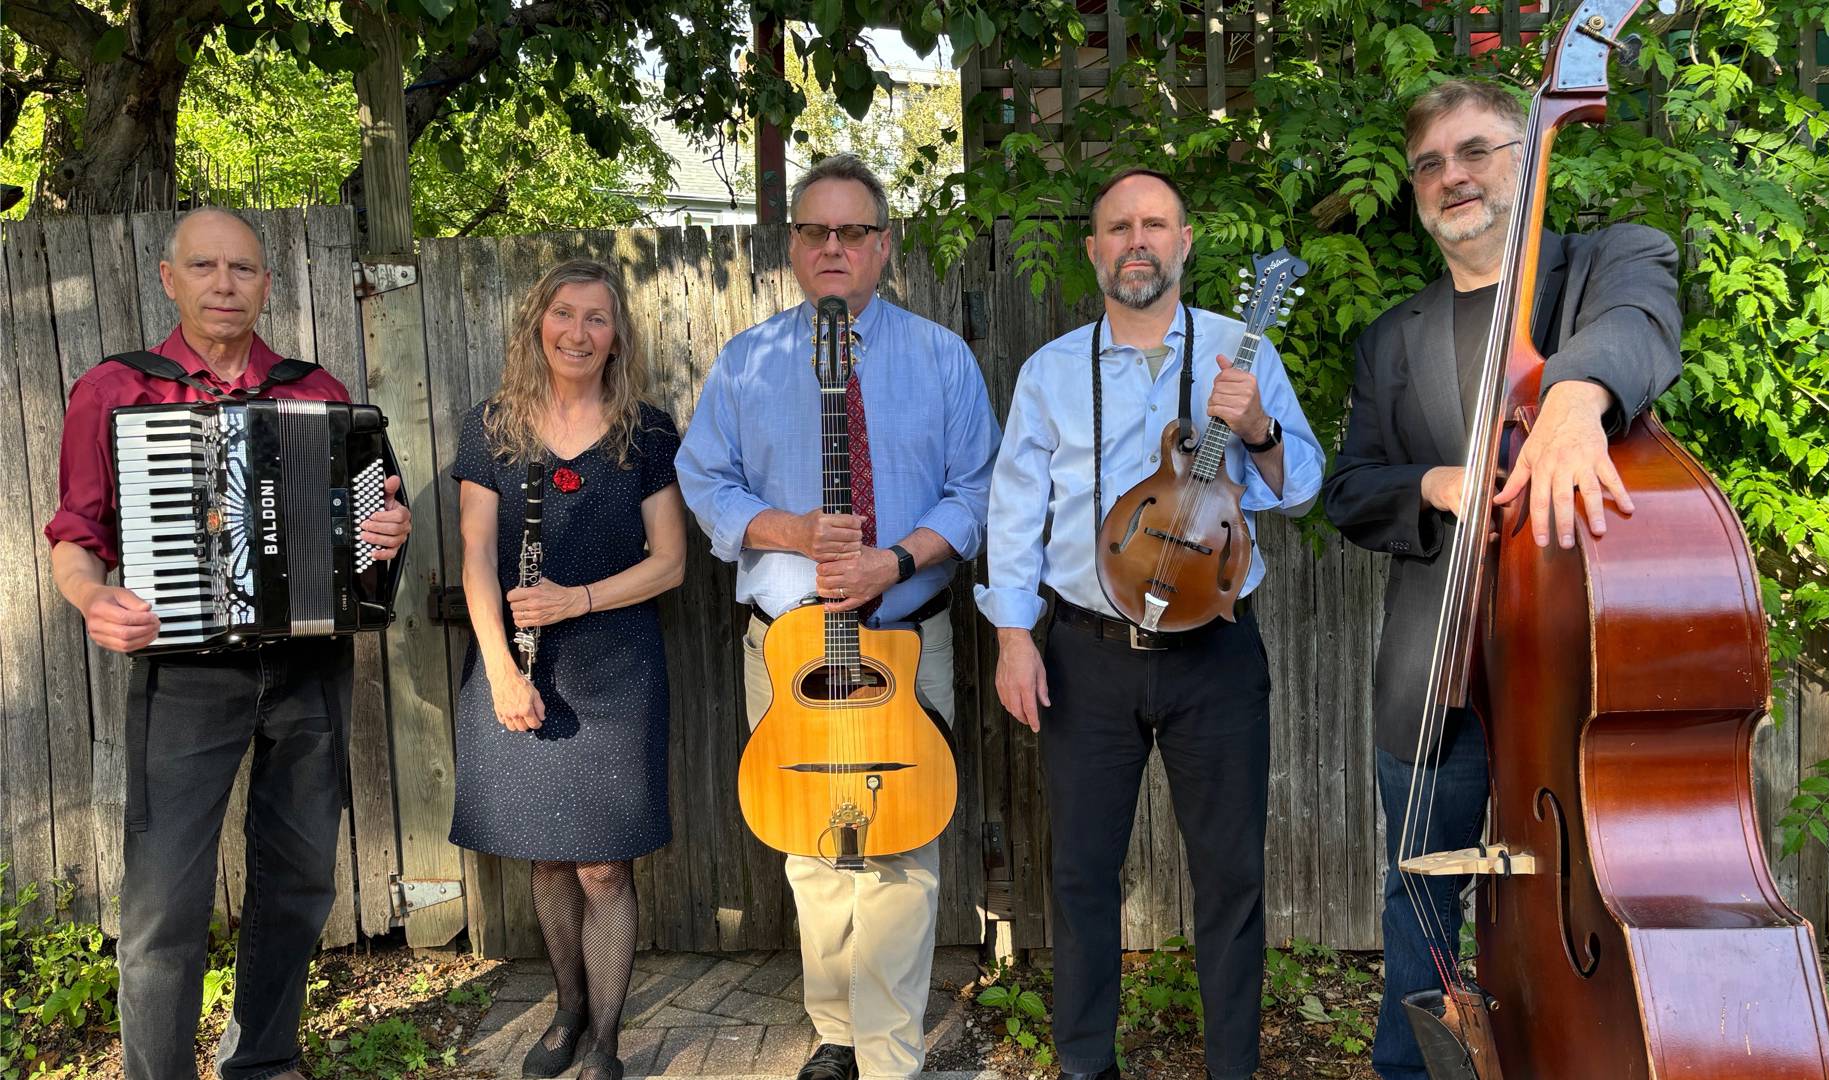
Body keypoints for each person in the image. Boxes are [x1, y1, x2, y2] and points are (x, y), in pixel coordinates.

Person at [1319, 78, 1682, 1080]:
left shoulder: (1602, 265)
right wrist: (1434, 481)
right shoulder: (1391, 339)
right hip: (1431, 682)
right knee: (1419, 909)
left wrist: (1574, 398)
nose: (1453, 176)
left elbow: (1642, 325)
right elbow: (1348, 490)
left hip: (1573, 684)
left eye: (1477, 150)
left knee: (1588, 897)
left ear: (1530, 158)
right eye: (1432, 163)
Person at [44, 206, 411, 1080]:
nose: (223, 284)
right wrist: (92, 596)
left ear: (266, 284)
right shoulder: (117, 390)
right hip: (184, 672)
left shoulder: (312, 390)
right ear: (170, 279)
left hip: (308, 665)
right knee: (165, 900)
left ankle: (264, 1061)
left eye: (242, 269)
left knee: (297, 884)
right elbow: (74, 532)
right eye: (204, 267)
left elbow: (365, 525)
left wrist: (384, 528)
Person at [978, 166, 1324, 1080]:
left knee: (1230, 881)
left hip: (1216, 654)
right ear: (1094, 250)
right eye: (1119, 227)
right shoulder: (1050, 371)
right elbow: (1013, 512)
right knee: (1083, 878)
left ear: (1185, 243)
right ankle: (1088, 1065)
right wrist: (1015, 637)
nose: (1138, 240)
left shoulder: (1239, 355)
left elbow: (1305, 485)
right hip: (1084, 657)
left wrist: (1256, 430)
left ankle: (1232, 1069)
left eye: (1156, 224)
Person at [676, 154, 997, 1080]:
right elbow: (704, 480)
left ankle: (890, 1054)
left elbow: (976, 492)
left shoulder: (941, 358)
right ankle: (836, 1031)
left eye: (853, 231)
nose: (833, 248)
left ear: (884, 246)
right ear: (793, 245)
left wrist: (892, 559)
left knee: (898, 845)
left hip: (903, 636)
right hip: (786, 649)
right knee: (813, 846)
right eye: (815, 230)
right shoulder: (748, 361)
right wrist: (794, 531)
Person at [448, 258, 686, 1080]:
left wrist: (575, 599)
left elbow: (670, 564)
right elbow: (476, 557)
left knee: (601, 863)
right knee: (548, 856)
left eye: (597, 318)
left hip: (618, 669)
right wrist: (502, 673)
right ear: (536, 324)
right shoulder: (492, 426)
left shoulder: (647, 430)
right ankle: (567, 1010)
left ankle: (608, 1040)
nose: (578, 332)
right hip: (517, 666)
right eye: (564, 314)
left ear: (616, 334)